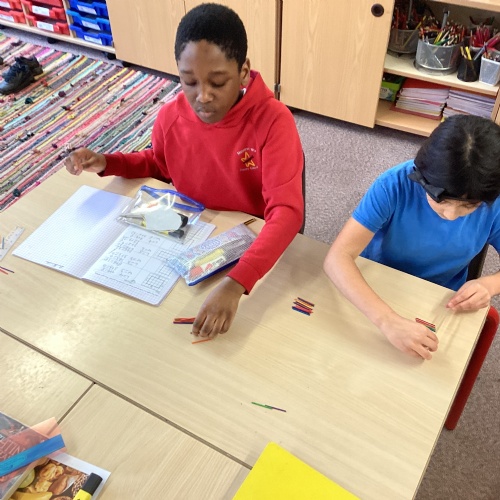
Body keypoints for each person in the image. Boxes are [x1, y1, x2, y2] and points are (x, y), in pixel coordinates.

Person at [65, 3, 304, 339]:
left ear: (244, 72)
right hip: (192, 237)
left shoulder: (274, 122)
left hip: (250, 247)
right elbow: (160, 164)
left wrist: (237, 283)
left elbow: (287, 213)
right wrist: (109, 162)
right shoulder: (170, 117)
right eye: (189, 81)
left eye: (218, 82)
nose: (202, 97)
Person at [323, 114, 500, 360]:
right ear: (422, 177)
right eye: (442, 201)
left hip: (439, 296)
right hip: (375, 285)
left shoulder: (494, 201)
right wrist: (387, 321)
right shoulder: (394, 184)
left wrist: (490, 285)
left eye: (469, 206)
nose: (451, 215)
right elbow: (337, 258)